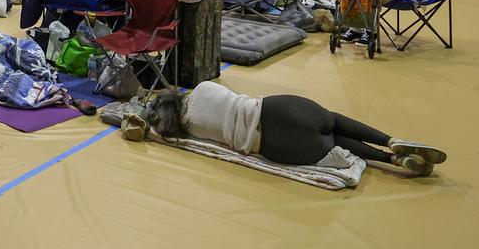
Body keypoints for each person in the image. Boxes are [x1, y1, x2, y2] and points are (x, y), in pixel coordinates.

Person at [142, 86, 447, 177]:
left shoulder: (189, 131)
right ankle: (392, 141)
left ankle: (389, 161)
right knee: (331, 120)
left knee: (332, 141)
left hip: (276, 145)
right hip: (277, 108)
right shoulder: (204, 89)